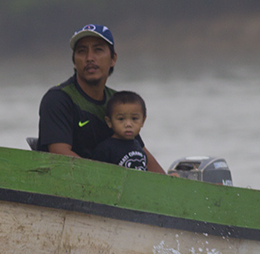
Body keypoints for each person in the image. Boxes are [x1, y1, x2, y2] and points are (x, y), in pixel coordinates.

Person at [37, 24, 164, 173]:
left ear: (113, 59)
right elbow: (59, 155)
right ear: (74, 62)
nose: (90, 58)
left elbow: (141, 152)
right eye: (82, 51)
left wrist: (170, 181)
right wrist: (105, 179)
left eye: (98, 50)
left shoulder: (117, 103)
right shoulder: (58, 99)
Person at [91, 91, 149, 170]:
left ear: (143, 121)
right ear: (109, 122)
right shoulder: (105, 149)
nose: (128, 124)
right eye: (121, 119)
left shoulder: (138, 147)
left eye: (134, 118)